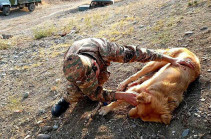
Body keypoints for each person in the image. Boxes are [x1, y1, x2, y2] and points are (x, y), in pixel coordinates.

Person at [51, 38, 194, 117]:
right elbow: (93, 93)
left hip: (94, 53)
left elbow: (140, 54)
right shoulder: (71, 65)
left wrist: (170, 59)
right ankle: (66, 99)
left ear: (95, 64)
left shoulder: (107, 50)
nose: (89, 82)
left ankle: (97, 86)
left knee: (98, 84)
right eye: (86, 81)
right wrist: (121, 95)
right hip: (78, 67)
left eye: (91, 78)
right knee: (76, 91)